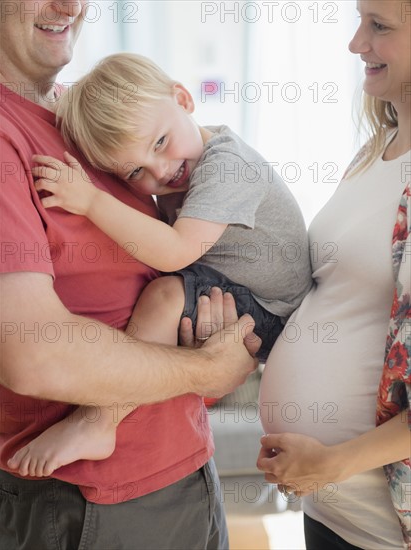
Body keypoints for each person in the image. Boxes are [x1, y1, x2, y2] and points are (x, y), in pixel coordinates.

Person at [0, 1, 260, 548]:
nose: (68, 5)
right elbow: (33, 354)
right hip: (94, 504)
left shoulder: (83, 119)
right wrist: (204, 370)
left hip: (183, 469)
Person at [5, 52, 313, 478]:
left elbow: (174, 252)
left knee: (166, 293)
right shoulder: (183, 172)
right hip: (248, 298)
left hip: (274, 312)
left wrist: (91, 200)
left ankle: (99, 421)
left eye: (161, 143)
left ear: (183, 99)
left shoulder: (227, 168)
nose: (162, 171)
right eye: (135, 171)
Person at [258, 0, 410, 548]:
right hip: (330, 511)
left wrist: (333, 462)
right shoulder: (375, 152)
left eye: (379, 27)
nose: (355, 44)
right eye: (358, 21)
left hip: (382, 526)